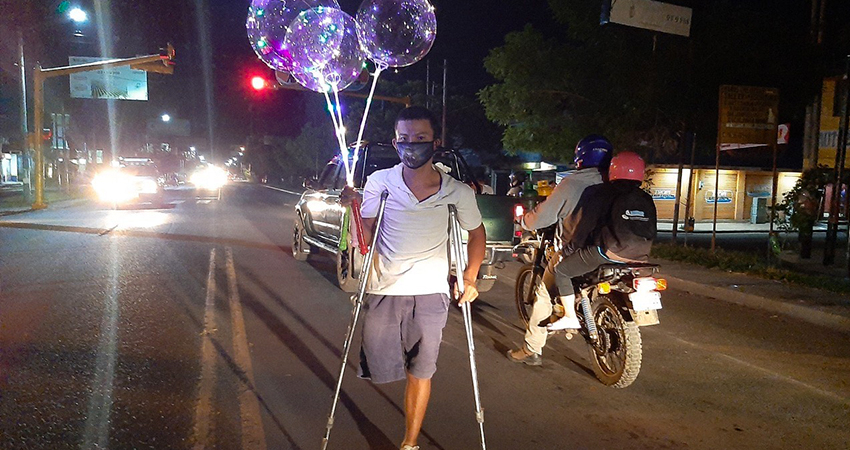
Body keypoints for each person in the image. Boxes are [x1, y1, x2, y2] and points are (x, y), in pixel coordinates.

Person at [341, 106, 486, 450]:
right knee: (379, 366)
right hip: (386, 288)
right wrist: (354, 208)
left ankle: (410, 442)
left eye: (420, 139)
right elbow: (367, 232)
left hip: (431, 293)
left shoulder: (457, 191)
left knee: (421, 370)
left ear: (435, 143)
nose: (412, 146)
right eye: (404, 139)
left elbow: (476, 233)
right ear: (395, 143)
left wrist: (470, 276)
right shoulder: (381, 182)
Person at [507, 134, 613, 366]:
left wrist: (525, 222)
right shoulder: (614, 182)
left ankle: (532, 349)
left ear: (580, 158)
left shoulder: (572, 183)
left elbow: (543, 216)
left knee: (544, 293)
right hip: (614, 250)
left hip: (577, 251)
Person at [545, 151, 657, 330]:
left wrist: (570, 249)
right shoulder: (646, 198)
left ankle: (569, 316)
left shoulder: (602, 193)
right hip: (640, 255)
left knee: (562, 271)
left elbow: (584, 226)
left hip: (608, 252)